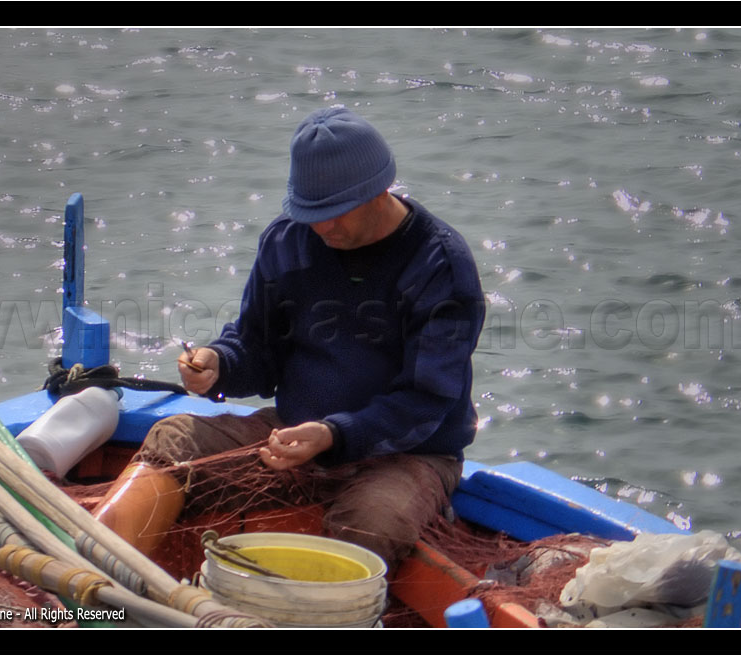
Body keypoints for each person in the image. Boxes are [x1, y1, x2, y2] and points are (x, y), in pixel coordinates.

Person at [93, 107, 485, 573]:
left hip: (407, 454)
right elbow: (257, 347)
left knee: (371, 523)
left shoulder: (439, 264)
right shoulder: (287, 243)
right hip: (293, 434)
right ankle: (92, 591)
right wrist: (220, 364)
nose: (323, 227)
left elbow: (425, 401)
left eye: (336, 213)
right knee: (173, 439)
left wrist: (334, 434)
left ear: (380, 191)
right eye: (310, 213)